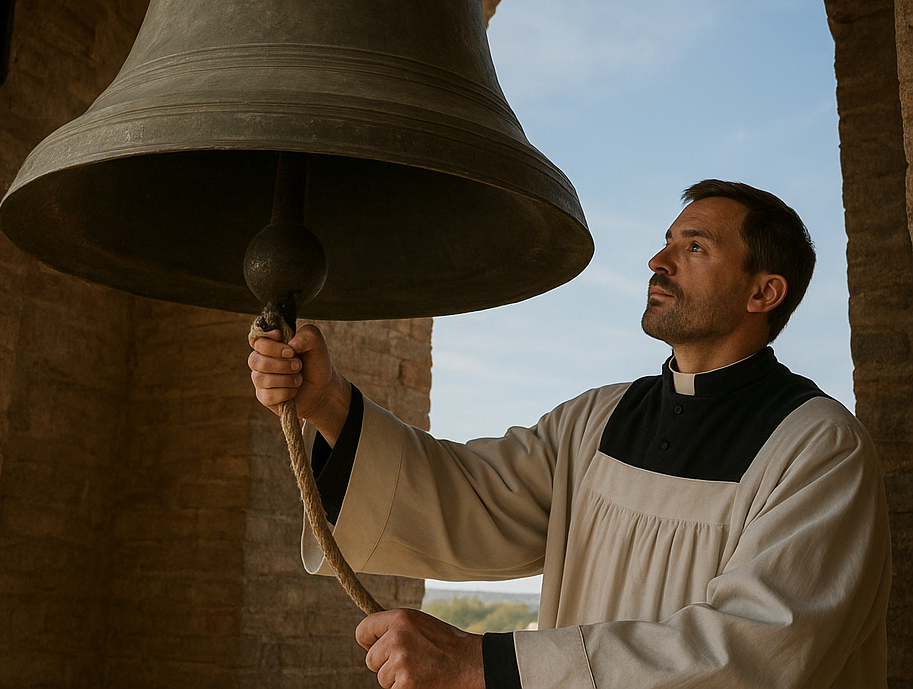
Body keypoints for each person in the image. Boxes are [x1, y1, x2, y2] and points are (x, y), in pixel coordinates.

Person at [248, 180, 891, 688]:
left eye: (695, 247)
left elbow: (755, 652)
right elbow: (472, 497)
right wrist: (328, 402)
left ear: (764, 291)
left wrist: (489, 665)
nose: (658, 260)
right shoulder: (597, 420)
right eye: (667, 241)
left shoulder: (818, 448)